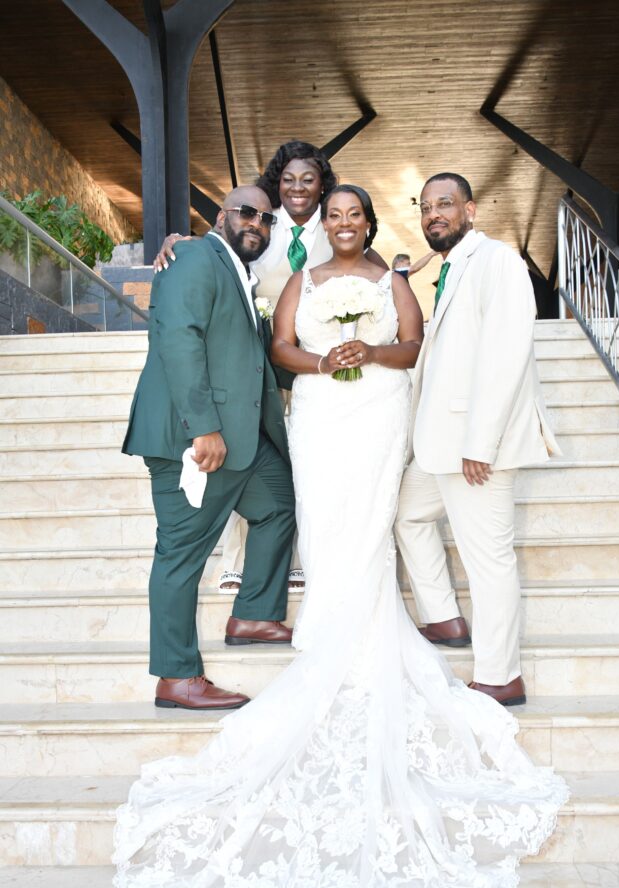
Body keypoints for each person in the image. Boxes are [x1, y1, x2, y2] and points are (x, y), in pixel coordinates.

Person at [114, 183, 567, 888]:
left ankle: (382, 630)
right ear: (318, 225)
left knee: (370, 521)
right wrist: (325, 360)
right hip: (320, 414)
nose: (346, 224)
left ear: (373, 223)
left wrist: (368, 356)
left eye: (357, 215)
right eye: (334, 216)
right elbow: (278, 344)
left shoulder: (412, 276)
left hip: (383, 413)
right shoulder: (292, 276)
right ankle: (306, 629)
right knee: (322, 519)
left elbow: (415, 345)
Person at [154, 140, 388, 598]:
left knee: (298, 468)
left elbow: (379, 279)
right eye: (288, 180)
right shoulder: (261, 225)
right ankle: (236, 564)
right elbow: (215, 253)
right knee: (249, 460)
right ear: (275, 185)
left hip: (315, 372)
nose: (298, 188)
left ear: (324, 186)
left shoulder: (337, 228)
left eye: (309, 180)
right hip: (254, 368)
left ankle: (301, 558)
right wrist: (176, 242)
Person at [122, 185, 296, 710]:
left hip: (241, 438)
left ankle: (253, 615)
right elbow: (178, 336)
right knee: (180, 553)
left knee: (279, 506)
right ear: (222, 215)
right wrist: (202, 427)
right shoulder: (195, 254)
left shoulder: (241, 273)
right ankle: (176, 677)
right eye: (247, 213)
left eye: (266, 219)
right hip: (193, 438)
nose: (256, 224)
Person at [395, 172, 562, 707]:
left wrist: (480, 444)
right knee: (405, 514)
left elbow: (506, 355)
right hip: (438, 443)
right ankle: (444, 618)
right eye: (425, 208)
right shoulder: (451, 267)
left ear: (470, 210)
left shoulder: (499, 262)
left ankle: (499, 675)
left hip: (473, 448)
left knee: (489, 561)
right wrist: (399, 274)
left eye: (444, 204)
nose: (433, 215)